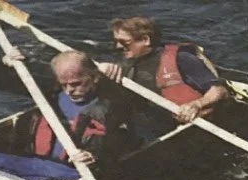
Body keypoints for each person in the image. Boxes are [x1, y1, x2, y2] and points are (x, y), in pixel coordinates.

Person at [0, 50, 115, 180]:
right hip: (38, 162)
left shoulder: (108, 106)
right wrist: (4, 64)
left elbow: (116, 144)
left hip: (71, 171)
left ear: (94, 78)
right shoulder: (52, 92)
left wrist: (93, 156)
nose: (69, 90)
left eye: (76, 83)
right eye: (64, 84)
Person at [98, 16, 231, 142]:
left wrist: (196, 105)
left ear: (145, 40)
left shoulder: (182, 59)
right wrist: (102, 70)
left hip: (186, 131)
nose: (118, 47)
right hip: (147, 132)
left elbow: (219, 91)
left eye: (124, 42)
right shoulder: (124, 64)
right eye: (116, 42)